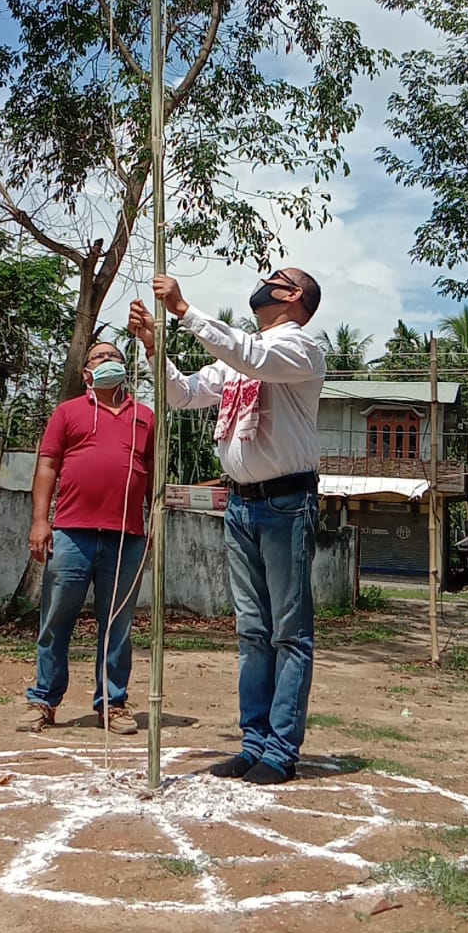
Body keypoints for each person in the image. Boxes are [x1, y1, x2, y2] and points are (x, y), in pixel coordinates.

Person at [129, 268, 325, 784]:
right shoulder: (240, 359)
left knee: (289, 633)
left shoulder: (301, 347)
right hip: (240, 506)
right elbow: (184, 393)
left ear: (294, 297)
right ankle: (254, 742)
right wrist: (155, 348)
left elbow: (251, 356)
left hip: (286, 504)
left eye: (276, 279)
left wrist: (182, 312)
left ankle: (281, 750)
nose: (263, 283)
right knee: (252, 632)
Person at [17, 342, 154, 735]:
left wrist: (154, 525)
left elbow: (151, 470)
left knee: (118, 624)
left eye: (115, 357)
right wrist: (41, 521)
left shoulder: (144, 417)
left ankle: (113, 703)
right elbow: (47, 465)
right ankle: (43, 699)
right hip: (72, 533)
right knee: (57, 619)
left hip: (126, 537)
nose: (109, 362)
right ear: (86, 372)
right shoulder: (68, 411)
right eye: (100, 357)